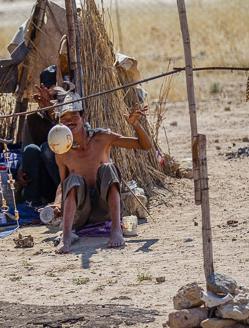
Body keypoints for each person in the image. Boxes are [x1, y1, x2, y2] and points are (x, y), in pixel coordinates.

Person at [51, 90, 151, 253]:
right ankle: (66, 237)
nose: (70, 122)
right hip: (80, 214)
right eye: (65, 119)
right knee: (73, 179)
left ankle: (116, 231)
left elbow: (144, 146)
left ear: (83, 118)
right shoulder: (62, 151)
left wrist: (135, 124)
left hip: (104, 209)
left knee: (108, 168)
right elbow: (63, 184)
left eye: (74, 117)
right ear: (60, 124)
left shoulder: (102, 137)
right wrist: (56, 204)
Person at [17, 65, 60, 206]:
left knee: (48, 147)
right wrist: (21, 170)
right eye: (46, 92)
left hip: (64, 177)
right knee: (31, 149)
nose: (49, 97)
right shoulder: (33, 119)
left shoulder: (68, 114)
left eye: (54, 94)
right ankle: (33, 202)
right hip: (44, 182)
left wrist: (51, 112)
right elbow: (25, 151)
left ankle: (63, 198)